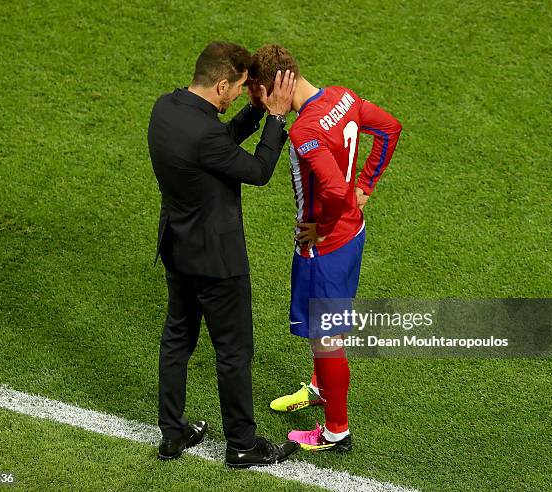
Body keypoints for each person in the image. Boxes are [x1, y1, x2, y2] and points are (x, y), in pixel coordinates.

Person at [147, 41, 299, 467]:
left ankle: (173, 432)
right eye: (237, 90)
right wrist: (276, 116)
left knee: (177, 340)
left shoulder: (166, 109)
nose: (237, 96)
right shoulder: (206, 133)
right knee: (233, 352)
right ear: (221, 84)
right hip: (216, 261)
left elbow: (218, 148)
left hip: (177, 249)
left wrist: (253, 110)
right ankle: (242, 444)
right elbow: (257, 170)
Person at [248, 45, 402, 451]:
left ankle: (336, 431)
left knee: (326, 337)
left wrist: (321, 228)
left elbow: (333, 189)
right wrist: (366, 186)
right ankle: (320, 388)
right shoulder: (342, 96)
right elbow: (390, 128)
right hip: (354, 234)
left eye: (257, 95)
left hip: (326, 248)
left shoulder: (305, 130)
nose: (259, 104)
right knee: (324, 330)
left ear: (271, 87)